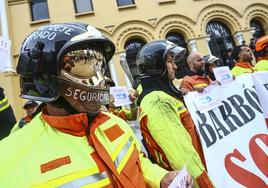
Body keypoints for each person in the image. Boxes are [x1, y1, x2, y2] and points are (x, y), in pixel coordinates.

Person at [0, 23, 194, 188]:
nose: (101, 80)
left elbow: (138, 162)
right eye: (82, 65)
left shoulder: (114, 123)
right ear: (46, 77)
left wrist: (160, 177)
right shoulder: (7, 158)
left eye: (100, 65)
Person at [136, 40, 213, 187]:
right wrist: (204, 184)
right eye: (170, 62)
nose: (176, 66)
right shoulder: (158, 100)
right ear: (156, 67)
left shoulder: (162, 96)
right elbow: (182, 157)